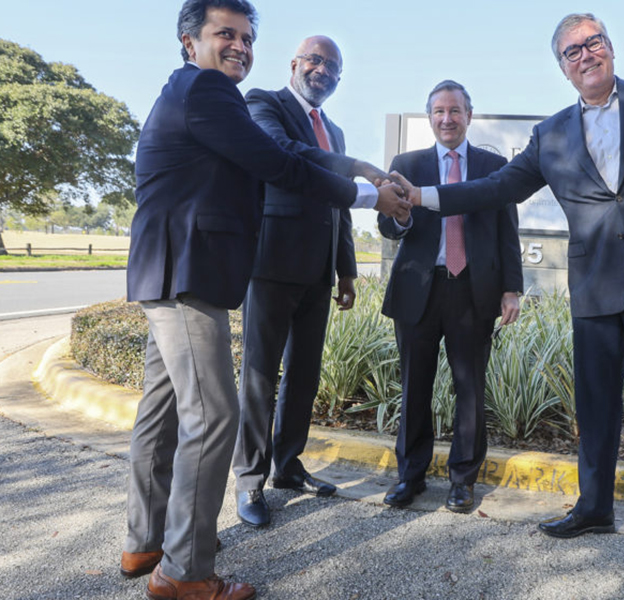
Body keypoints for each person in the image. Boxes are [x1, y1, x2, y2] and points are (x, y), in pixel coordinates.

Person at [394, 14, 624, 594]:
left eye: (594, 44)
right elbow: (497, 188)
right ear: (562, 67)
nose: (585, 55)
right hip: (596, 285)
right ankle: (595, 506)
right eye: (572, 51)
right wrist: (424, 196)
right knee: (595, 406)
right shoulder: (552, 133)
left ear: (610, 49)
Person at [121, 1, 408, 598]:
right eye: (225, 34)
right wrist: (368, 195)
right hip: (187, 273)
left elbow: (296, 154)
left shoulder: (190, 92)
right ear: (188, 40)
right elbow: (279, 162)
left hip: (167, 269)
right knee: (213, 415)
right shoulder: (208, 91)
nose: (240, 46)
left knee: (162, 411)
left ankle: (146, 541)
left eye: (247, 38)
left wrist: (362, 167)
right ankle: (185, 572)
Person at [231, 35, 359, 527]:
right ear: (295, 63)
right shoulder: (264, 104)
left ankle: (287, 465)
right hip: (271, 265)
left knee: (303, 376)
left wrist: (346, 269)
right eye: (315, 59)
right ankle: (249, 480)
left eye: (332, 66)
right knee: (260, 379)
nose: (322, 70)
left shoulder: (337, 133)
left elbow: (340, 206)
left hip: (317, 271)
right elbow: (281, 153)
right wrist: (355, 172)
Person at [379, 80, 523, 513]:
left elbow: (507, 233)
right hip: (418, 291)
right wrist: (401, 218)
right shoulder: (407, 164)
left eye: (455, 111)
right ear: (430, 118)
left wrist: (511, 289)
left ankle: (463, 480)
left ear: (469, 116)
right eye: (439, 111)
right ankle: (411, 477)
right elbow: (389, 228)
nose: (447, 118)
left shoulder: (494, 165)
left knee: (470, 390)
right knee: (414, 388)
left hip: (473, 290)